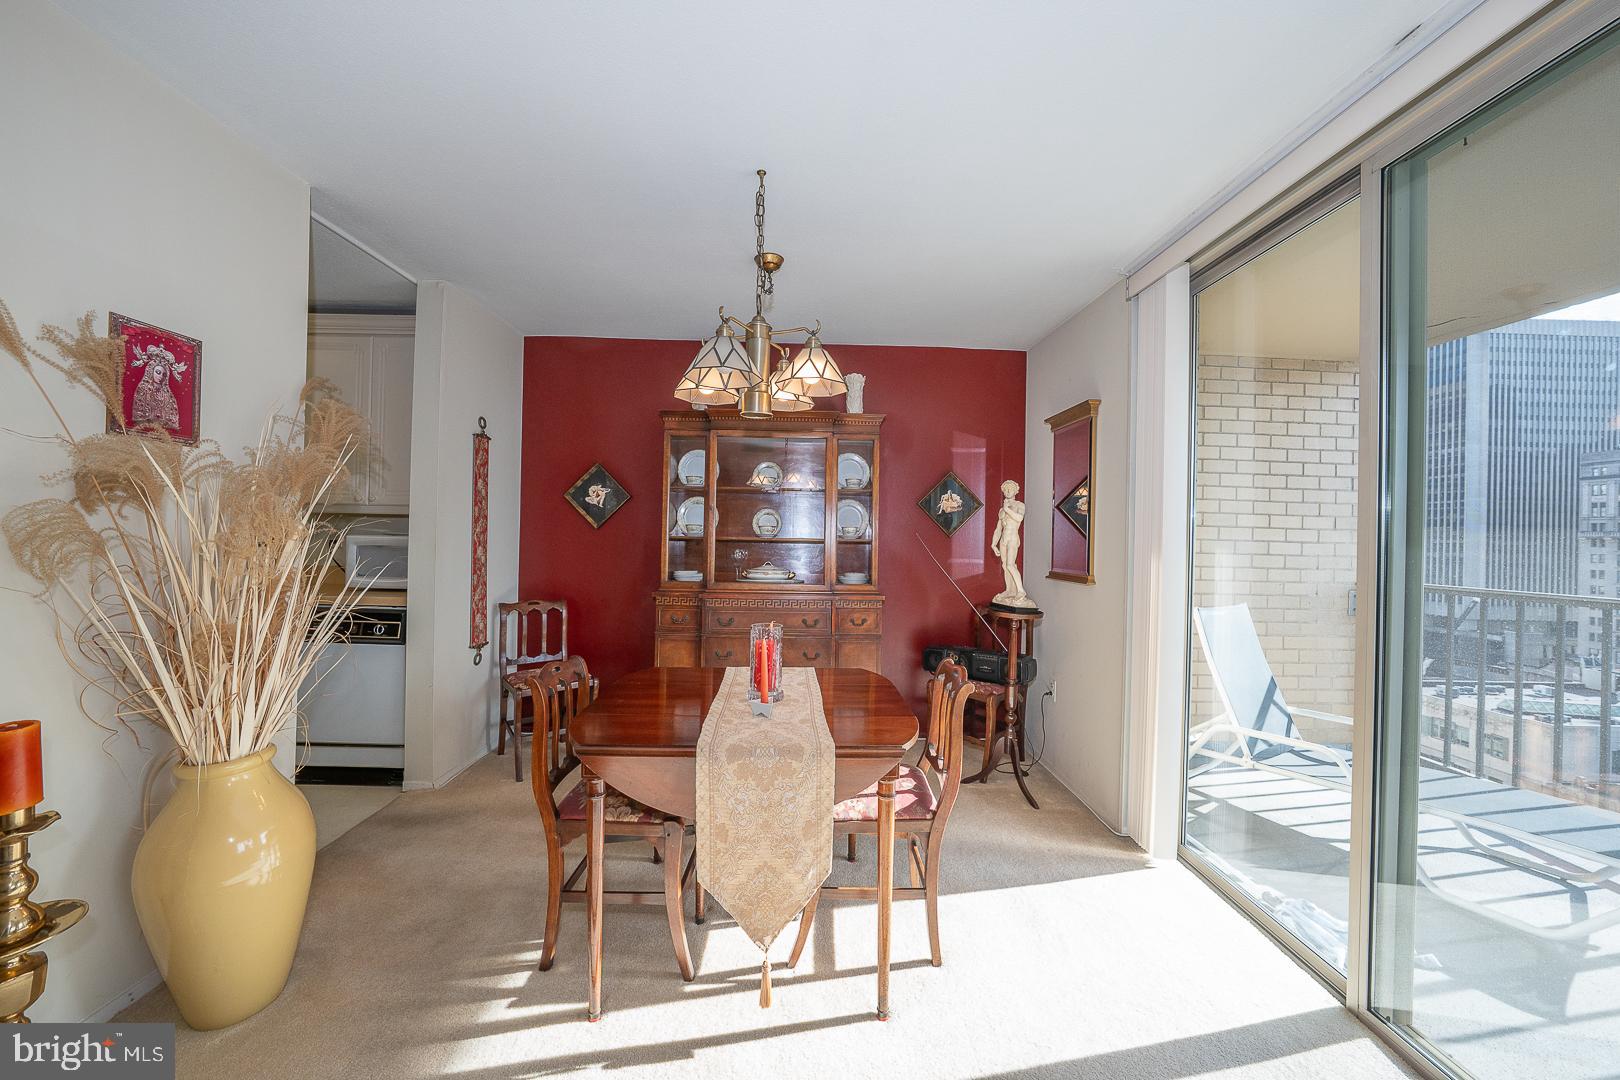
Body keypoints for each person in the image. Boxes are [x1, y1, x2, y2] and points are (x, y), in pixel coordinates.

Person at [990, 479, 1035, 609]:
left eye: (1010, 489)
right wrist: (993, 544)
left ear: (1016, 491)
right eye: (1005, 489)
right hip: (1003, 539)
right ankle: (1010, 590)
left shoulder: (1020, 505)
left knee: (1010, 564)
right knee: (1005, 566)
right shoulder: (1001, 510)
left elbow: (1019, 518)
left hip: (1013, 538)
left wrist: (1007, 509)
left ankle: (1020, 591)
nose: (1008, 491)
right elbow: (998, 529)